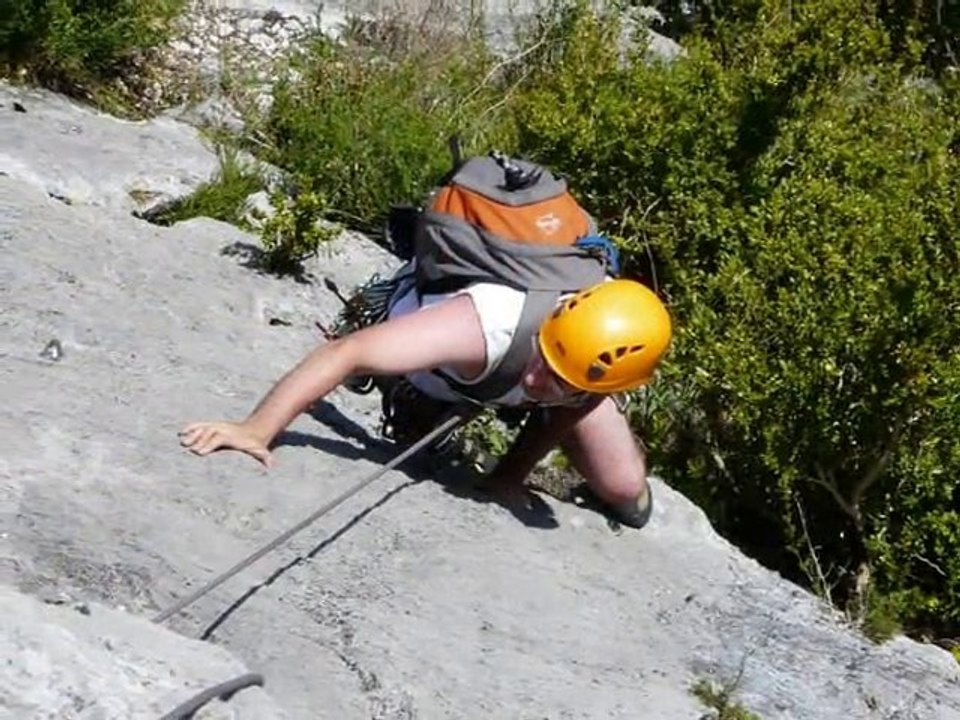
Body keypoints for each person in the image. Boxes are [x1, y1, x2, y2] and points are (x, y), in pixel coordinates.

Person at [179, 275, 672, 529]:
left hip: (547, 374)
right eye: (544, 358)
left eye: (558, 378)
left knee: (625, 489)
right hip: (446, 366)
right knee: (424, 427)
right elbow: (347, 353)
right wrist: (257, 429)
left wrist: (508, 478)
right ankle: (412, 390)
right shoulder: (482, 328)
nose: (537, 377)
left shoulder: (593, 361)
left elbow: (573, 401)